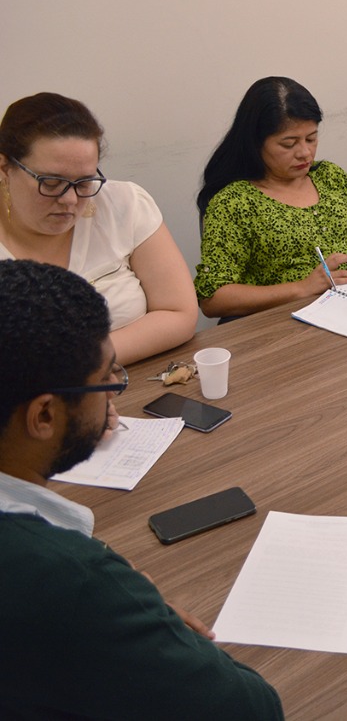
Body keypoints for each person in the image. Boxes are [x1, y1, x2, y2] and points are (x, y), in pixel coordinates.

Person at [0, 259, 283, 719]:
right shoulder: (67, 581)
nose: (115, 392)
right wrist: (141, 618)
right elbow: (253, 710)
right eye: (106, 379)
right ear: (44, 416)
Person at [0, 92, 197, 365]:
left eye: (84, 183)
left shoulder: (123, 205)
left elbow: (179, 312)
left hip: (131, 380)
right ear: (5, 168)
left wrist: (81, 362)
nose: (70, 200)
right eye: (51, 182)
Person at [195, 77, 347, 319]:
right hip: (287, 327)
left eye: (311, 139)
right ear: (255, 143)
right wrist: (302, 288)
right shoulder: (234, 202)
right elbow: (213, 297)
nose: (304, 152)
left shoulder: (330, 176)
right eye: (288, 144)